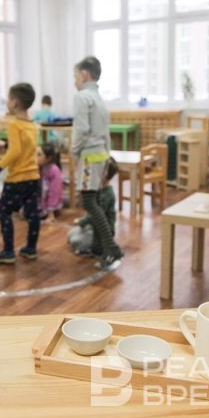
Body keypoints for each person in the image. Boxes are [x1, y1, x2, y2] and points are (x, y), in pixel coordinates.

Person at [72, 56, 124, 269]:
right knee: (95, 201)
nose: (74, 81)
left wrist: (75, 152)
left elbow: (82, 129)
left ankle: (111, 247)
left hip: (89, 156)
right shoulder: (100, 98)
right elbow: (106, 133)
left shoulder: (82, 96)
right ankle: (97, 245)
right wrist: (107, 153)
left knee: (89, 202)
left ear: (85, 74)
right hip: (101, 155)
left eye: (75, 76)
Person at [0, 83, 41, 264]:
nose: (7, 102)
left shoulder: (13, 124)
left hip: (17, 178)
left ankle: (8, 252)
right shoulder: (32, 125)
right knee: (33, 214)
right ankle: (31, 249)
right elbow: (25, 149)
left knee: (4, 214)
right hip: (33, 177)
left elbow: (15, 151)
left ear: (16, 103)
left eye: (9, 98)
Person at [68, 158, 118, 255]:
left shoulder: (107, 195)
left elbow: (95, 216)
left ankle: (96, 248)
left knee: (75, 240)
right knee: (71, 233)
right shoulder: (98, 189)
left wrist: (81, 222)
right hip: (92, 227)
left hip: (102, 233)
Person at [37, 142, 63, 222]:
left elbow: (54, 192)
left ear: (48, 158)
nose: (35, 157)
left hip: (49, 205)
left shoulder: (54, 170)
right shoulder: (37, 168)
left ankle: (50, 212)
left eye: (39, 155)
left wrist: (50, 213)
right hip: (39, 203)